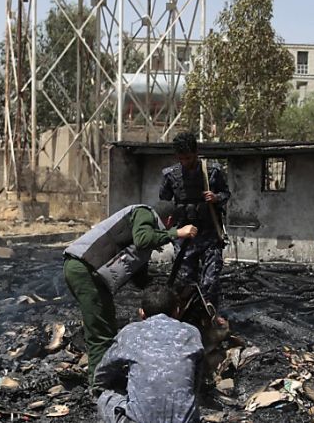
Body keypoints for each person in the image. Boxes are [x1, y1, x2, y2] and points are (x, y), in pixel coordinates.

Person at [63, 201, 197, 383]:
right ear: (169, 220)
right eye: (171, 226)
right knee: (100, 333)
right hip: (85, 269)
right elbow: (143, 239)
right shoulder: (144, 213)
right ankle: (99, 386)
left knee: (107, 327)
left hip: (90, 273)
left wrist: (163, 293)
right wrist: (177, 233)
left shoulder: (142, 235)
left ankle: (105, 377)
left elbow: (139, 278)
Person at [94, 285, 203, 423]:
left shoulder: (130, 332)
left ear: (141, 313)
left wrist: (99, 388)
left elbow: (104, 371)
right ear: (177, 311)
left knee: (105, 398)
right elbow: (196, 380)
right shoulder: (191, 333)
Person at [159, 131, 230, 308]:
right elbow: (164, 199)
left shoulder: (212, 171)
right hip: (185, 236)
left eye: (189, 158)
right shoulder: (170, 175)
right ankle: (189, 316)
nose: (186, 162)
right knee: (186, 282)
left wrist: (215, 198)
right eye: (181, 158)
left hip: (209, 234)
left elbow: (226, 194)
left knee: (210, 281)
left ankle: (211, 314)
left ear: (196, 153)